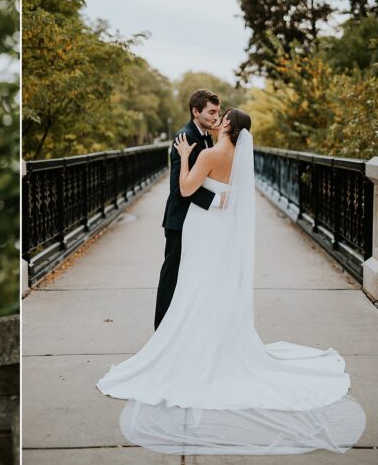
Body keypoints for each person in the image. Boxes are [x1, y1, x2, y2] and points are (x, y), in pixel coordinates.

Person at [97, 109, 366, 454]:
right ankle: (215, 342)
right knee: (213, 286)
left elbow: (185, 188)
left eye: (220, 115)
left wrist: (184, 157)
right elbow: (229, 196)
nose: (216, 118)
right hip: (220, 230)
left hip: (202, 229)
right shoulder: (238, 157)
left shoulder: (208, 154)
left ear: (226, 125)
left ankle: (192, 345)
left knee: (195, 285)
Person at [153, 89, 219, 330]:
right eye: (211, 112)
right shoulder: (185, 137)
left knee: (190, 275)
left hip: (195, 220)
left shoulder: (206, 136)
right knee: (171, 276)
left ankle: (181, 327)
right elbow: (180, 189)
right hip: (179, 221)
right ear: (196, 111)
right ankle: (161, 329)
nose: (216, 117)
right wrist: (216, 200)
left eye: (218, 112)